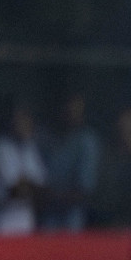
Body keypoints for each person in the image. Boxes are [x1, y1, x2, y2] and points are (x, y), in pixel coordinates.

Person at [0, 97, 47, 235]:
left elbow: (42, 189)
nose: (27, 123)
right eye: (21, 118)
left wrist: (30, 186)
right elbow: (15, 190)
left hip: (23, 229)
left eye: (28, 118)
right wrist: (29, 186)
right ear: (11, 121)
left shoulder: (30, 148)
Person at [41, 92, 100, 232]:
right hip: (48, 218)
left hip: (73, 218)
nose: (70, 114)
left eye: (75, 111)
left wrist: (53, 197)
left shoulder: (86, 141)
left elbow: (85, 189)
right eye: (67, 110)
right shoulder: (47, 139)